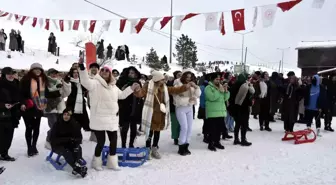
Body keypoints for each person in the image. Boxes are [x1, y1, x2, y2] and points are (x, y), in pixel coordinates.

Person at [78, 58, 138, 171]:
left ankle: (112, 162)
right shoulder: (94, 83)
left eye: (107, 70)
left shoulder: (113, 86)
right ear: (100, 73)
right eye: (103, 70)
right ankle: (96, 162)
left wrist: (131, 88)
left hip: (112, 119)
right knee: (101, 142)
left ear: (110, 74)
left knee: (114, 141)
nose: (105, 72)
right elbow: (85, 81)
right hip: (99, 118)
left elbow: (122, 95)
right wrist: (81, 67)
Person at [134, 70, 190, 159]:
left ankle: (155, 148)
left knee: (157, 132)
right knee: (149, 132)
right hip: (151, 113)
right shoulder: (148, 86)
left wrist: (184, 87)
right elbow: (140, 94)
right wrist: (137, 90)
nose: (164, 81)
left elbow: (174, 90)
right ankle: (148, 148)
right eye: (162, 80)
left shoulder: (164, 87)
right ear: (157, 80)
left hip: (160, 114)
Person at [20, 63, 58, 157]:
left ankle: (34, 146)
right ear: (31, 70)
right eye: (35, 69)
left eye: (39, 69)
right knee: (29, 128)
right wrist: (23, 102)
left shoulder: (43, 80)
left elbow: (47, 93)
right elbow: (20, 93)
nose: (38, 71)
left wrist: (58, 93)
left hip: (39, 107)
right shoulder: (26, 79)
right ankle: (29, 147)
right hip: (28, 107)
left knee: (36, 128)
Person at [50, 108, 87, 178]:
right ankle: (77, 168)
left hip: (70, 143)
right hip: (58, 145)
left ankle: (77, 163)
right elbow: (53, 139)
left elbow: (79, 138)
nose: (66, 116)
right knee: (66, 152)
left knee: (78, 148)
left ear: (71, 116)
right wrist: (67, 139)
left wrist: (75, 142)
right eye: (64, 114)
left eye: (68, 115)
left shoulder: (74, 124)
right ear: (62, 115)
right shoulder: (57, 124)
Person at [173, 70, 201, 156]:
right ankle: (181, 146)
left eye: (190, 77)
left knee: (189, 128)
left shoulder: (192, 84)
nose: (188, 79)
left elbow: (198, 94)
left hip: (189, 107)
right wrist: (188, 99)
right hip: (181, 108)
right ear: (183, 76)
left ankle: (186, 145)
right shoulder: (177, 83)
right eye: (187, 77)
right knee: (184, 127)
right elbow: (176, 98)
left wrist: (196, 87)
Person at [44, 68, 72, 150]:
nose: (54, 75)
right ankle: (48, 141)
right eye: (52, 73)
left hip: (60, 108)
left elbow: (65, 94)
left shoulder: (59, 82)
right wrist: (57, 87)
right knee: (53, 126)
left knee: (59, 126)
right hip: (50, 108)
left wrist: (66, 83)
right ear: (49, 74)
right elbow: (48, 93)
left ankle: (54, 140)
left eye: (55, 73)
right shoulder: (46, 82)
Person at [116, 66, 143, 148]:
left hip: (135, 107)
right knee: (124, 128)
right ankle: (123, 144)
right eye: (130, 73)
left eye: (133, 73)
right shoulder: (121, 81)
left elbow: (141, 95)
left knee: (133, 128)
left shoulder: (138, 82)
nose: (131, 74)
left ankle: (131, 144)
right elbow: (118, 94)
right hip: (124, 107)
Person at [204, 72, 230, 151]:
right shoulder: (208, 88)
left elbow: (225, 98)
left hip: (220, 111)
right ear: (212, 80)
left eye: (219, 79)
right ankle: (210, 143)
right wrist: (219, 91)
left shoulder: (220, 87)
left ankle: (217, 142)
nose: (218, 81)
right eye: (216, 79)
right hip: (212, 112)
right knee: (212, 129)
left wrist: (226, 91)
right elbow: (212, 98)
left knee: (219, 129)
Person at [0, 67, 21, 161]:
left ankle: (4, 154)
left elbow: (21, 96)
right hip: (1, 114)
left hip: (13, 113)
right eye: (8, 73)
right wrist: (3, 105)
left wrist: (22, 103)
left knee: (9, 136)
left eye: (12, 73)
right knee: (1, 136)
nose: (11, 75)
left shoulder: (16, 83)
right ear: (4, 75)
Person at [230, 73, 254, 146]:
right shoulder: (245, 86)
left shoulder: (234, 85)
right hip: (243, 108)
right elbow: (248, 97)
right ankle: (243, 140)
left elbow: (231, 97)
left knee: (237, 124)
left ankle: (236, 139)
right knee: (244, 125)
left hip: (235, 107)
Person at [65, 68, 90, 133]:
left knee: (81, 121)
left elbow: (86, 89)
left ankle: (77, 137)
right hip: (72, 105)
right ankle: (74, 138)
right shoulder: (69, 82)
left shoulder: (81, 82)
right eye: (74, 72)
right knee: (72, 122)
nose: (76, 74)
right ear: (71, 73)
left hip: (81, 105)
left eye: (77, 72)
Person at [167, 70, 182, 145]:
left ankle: (181, 136)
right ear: (175, 75)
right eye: (179, 75)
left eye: (181, 75)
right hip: (173, 106)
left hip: (182, 107)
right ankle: (175, 138)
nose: (180, 76)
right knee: (175, 123)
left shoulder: (184, 83)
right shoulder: (170, 83)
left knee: (182, 123)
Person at [87, 63, 100, 142]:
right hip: (91, 100)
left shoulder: (101, 77)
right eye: (92, 67)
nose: (94, 69)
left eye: (95, 67)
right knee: (93, 117)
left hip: (100, 101)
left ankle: (98, 135)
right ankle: (93, 136)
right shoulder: (88, 77)